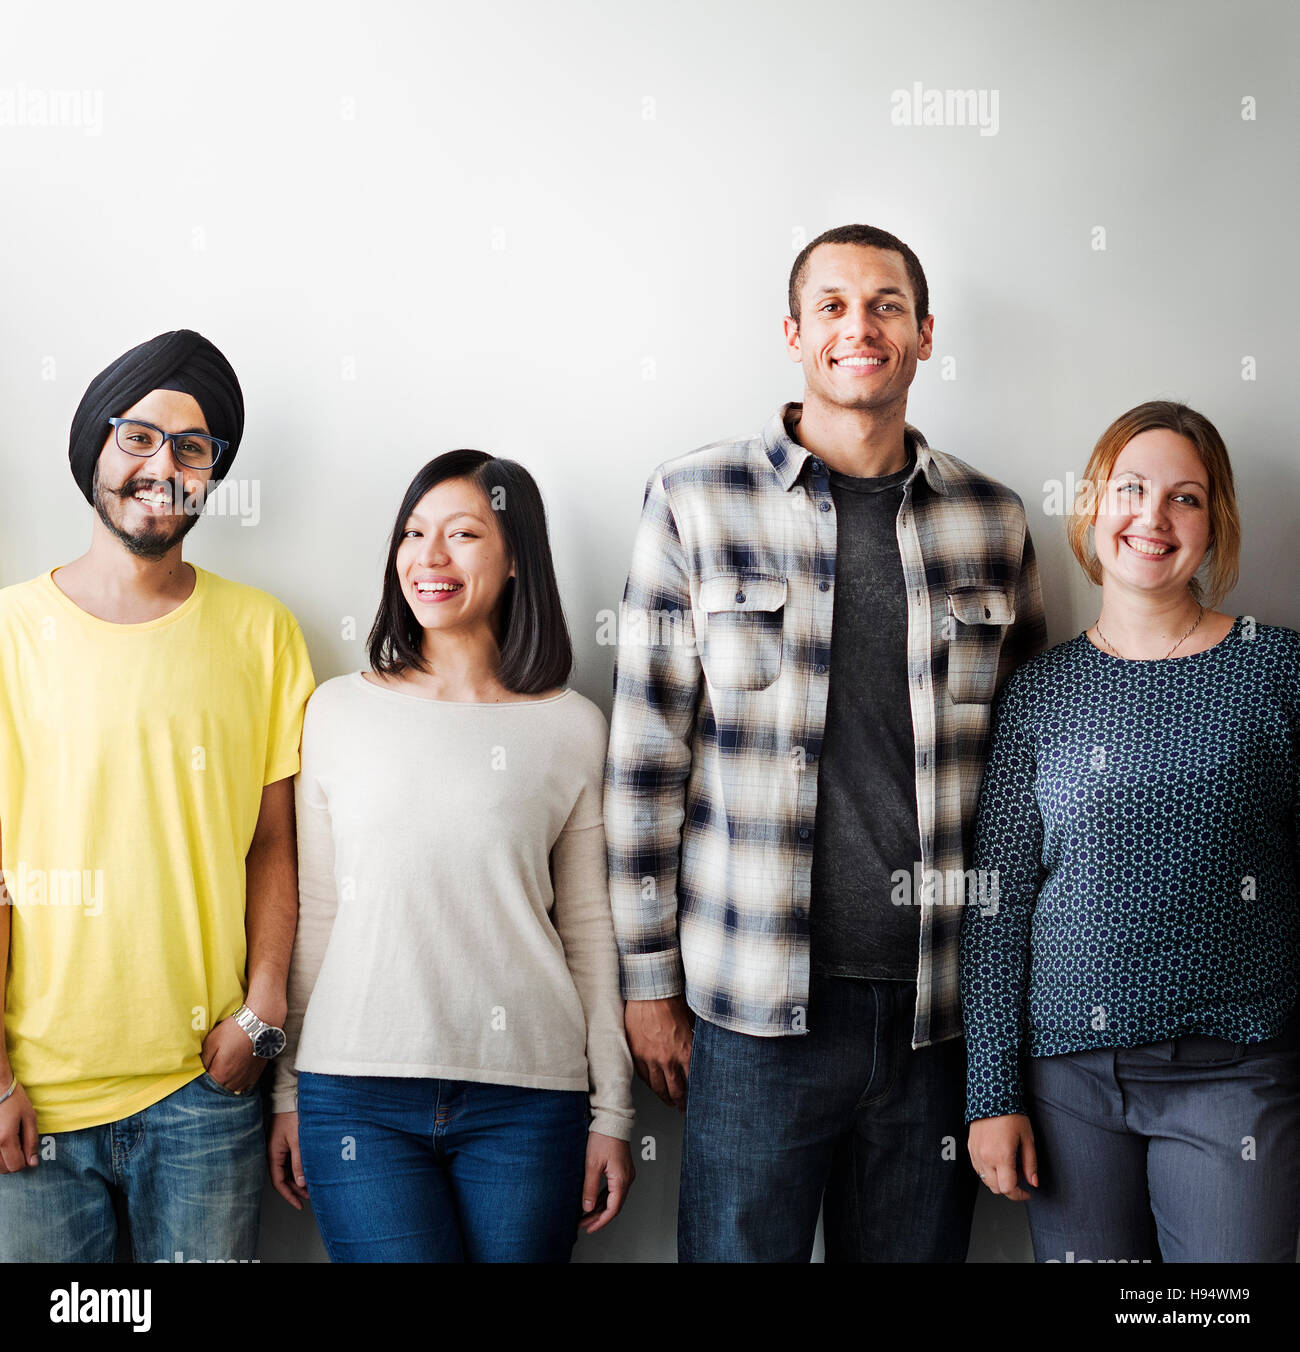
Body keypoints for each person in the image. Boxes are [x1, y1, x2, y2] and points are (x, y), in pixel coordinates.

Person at [604, 224, 1047, 1262]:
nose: (863, 326)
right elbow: (644, 759)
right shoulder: (693, 500)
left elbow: (1026, 782)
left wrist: (1008, 1016)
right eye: (836, 306)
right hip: (754, 1009)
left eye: (887, 304)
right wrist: (646, 981)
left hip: (937, 1011)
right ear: (795, 334)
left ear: (924, 333)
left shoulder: (993, 521)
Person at [267, 450, 635, 1262]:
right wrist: (287, 1090)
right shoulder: (337, 713)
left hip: (529, 1099)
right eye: (413, 532)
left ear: (514, 562)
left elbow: (587, 934)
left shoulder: (571, 727)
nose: (428, 557)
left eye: (463, 534)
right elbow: (319, 913)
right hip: (355, 1096)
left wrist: (612, 1114)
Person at [0, 330, 315, 1262]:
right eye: (137, 436)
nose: (162, 466)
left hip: (203, 1093)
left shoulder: (262, 632)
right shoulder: (10, 634)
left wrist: (262, 1018)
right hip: (37, 1099)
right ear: (93, 448)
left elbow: (273, 846)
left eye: (192, 447)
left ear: (213, 475)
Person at [961, 400, 1300, 1262]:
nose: (1152, 517)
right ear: (1093, 507)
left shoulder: (1278, 669)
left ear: (1213, 525)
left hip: (1236, 1073)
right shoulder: (1040, 690)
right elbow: (997, 908)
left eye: (1184, 498)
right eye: (1131, 489)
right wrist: (990, 1093)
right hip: (1068, 1081)